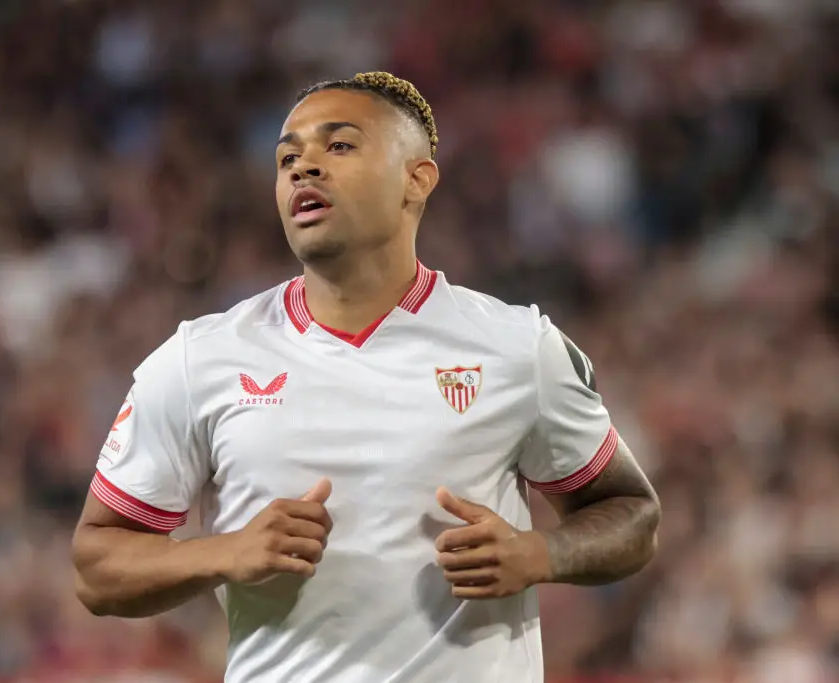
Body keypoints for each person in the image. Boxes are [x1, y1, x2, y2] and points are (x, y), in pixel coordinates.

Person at [72, 71, 661, 683]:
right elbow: (96, 568)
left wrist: (543, 552)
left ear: (417, 178)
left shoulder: (516, 347)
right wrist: (224, 553)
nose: (304, 167)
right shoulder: (200, 359)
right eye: (287, 157)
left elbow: (631, 514)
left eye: (340, 145)